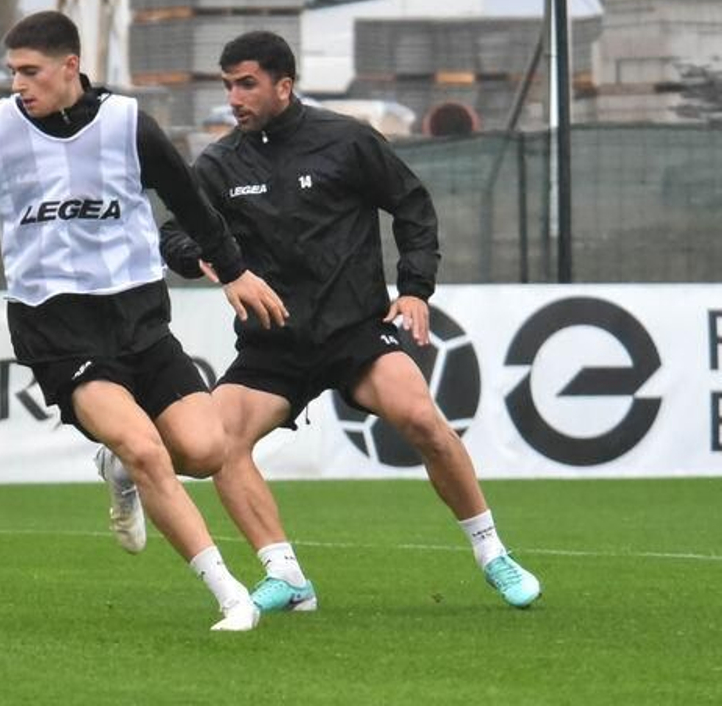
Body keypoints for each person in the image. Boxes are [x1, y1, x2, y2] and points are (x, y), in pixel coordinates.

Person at [0, 11, 287, 632]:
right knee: (145, 446)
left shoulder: (129, 124)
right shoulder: (3, 132)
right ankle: (231, 594)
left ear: (70, 67)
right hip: (56, 326)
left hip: (138, 316)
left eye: (31, 71)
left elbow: (191, 203)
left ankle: (118, 469)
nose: (19, 84)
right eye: (13, 72)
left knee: (205, 448)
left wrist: (234, 270)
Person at [100, 30, 540, 614]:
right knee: (217, 448)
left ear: (285, 85)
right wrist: (198, 257)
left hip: (354, 331)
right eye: (228, 84)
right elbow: (175, 234)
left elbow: (411, 205)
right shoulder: (219, 164)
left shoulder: (347, 140)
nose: (234, 96)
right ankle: (285, 573)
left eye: (247, 84)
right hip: (273, 343)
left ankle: (493, 553)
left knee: (422, 419)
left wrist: (414, 290)